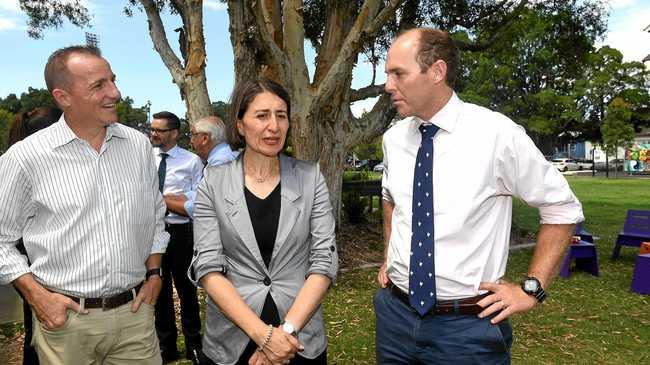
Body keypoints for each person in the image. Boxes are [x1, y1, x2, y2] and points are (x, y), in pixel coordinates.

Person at [375, 28, 584, 364]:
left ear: (437, 72)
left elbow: (561, 207)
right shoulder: (395, 139)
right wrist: (389, 256)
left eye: (398, 73)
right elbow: (391, 198)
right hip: (394, 317)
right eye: (388, 74)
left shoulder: (496, 135)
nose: (388, 85)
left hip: (467, 329)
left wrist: (533, 288)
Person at [0, 45, 169, 365]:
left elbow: (155, 218)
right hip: (66, 325)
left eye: (113, 80)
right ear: (63, 97)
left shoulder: (138, 146)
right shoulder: (26, 158)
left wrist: (155, 273)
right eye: (98, 85)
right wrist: (37, 297)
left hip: (136, 317)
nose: (115, 93)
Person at [189, 79, 338, 365]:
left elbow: (323, 261)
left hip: (297, 339)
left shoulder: (310, 178)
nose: (274, 126)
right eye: (262, 115)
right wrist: (264, 337)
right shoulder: (213, 182)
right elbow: (208, 266)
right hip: (233, 339)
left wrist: (286, 333)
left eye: (281, 115)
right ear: (241, 125)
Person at [6, 106, 63, 365]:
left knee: (36, 326)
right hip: (35, 262)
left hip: (26, 259)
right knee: (43, 327)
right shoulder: (28, 168)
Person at [149, 110, 204, 363]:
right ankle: (166, 346)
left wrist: (168, 203)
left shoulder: (191, 162)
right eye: (152, 129)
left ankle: (194, 344)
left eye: (159, 130)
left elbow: (198, 201)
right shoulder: (146, 158)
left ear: (173, 133)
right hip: (152, 232)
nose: (154, 134)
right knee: (158, 290)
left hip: (181, 232)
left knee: (186, 289)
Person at [164, 115, 239, 217]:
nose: (191, 141)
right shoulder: (223, 156)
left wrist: (162, 201)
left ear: (205, 138)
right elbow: (202, 195)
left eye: (193, 135)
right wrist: (176, 198)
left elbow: (201, 209)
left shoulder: (222, 162)